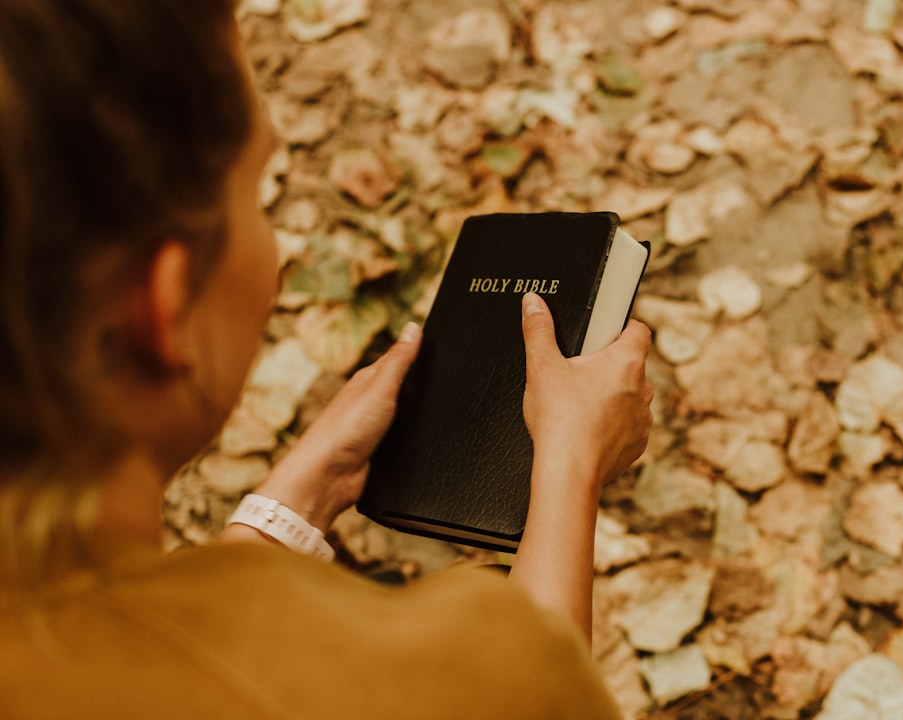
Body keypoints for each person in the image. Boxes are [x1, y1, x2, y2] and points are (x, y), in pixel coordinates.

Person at [0, 1, 654, 717]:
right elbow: (531, 696)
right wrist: (571, 463)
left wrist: (287, 511)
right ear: (166, 309)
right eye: (255, 194)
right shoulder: (337, 681)